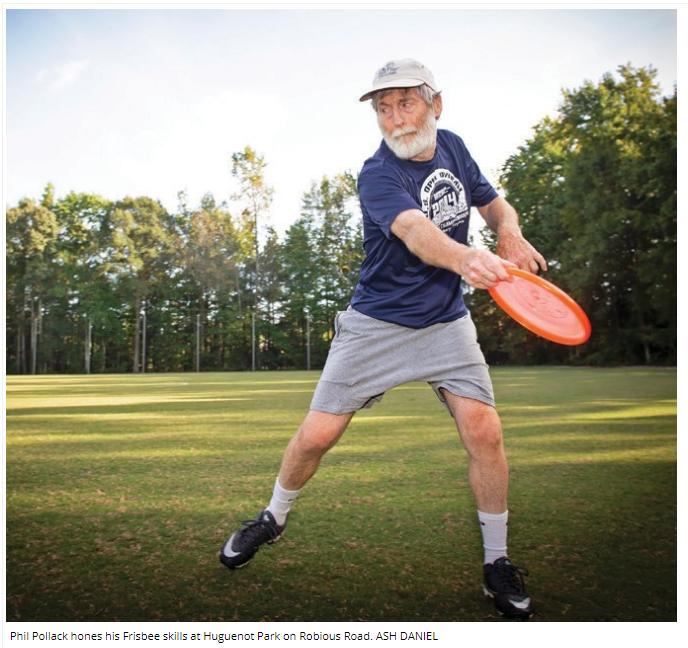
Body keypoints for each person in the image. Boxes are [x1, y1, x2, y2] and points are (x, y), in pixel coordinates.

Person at [220, 58, 547, 620]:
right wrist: (470, 258)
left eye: (406, 104)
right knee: (315, 438)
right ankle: (272, 518)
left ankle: (497, 562)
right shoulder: (376, 173)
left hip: (445, 323)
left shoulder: (455, 147)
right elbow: (418, 235)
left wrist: (509, 232)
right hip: (376, 325)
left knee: (485, 432)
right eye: (383, 108)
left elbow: (492, 203)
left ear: (435, 105)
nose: (395, 120)